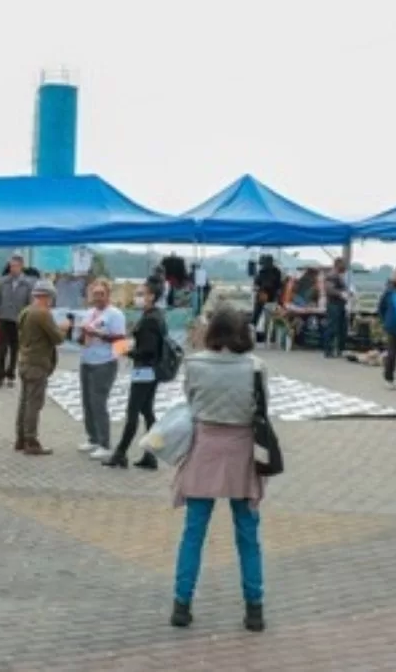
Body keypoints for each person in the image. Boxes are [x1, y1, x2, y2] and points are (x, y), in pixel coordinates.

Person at [170, 307, 266, 633]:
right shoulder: (255, 367)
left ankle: (181, 604)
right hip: (242, 450)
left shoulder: (194, 364)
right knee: (248, 533)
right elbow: (262, 407)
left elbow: (190, 401)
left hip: (204, 447)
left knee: (193, 532)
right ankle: (254, 609)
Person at [103, 278, 165, 470]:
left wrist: (124, 349)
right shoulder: (155, 316)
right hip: (151, 370)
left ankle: (121, 453)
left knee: (133, 412)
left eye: (141, 293)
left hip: (145, 370)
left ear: (151, 296)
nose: (137, 297)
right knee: (147, 412)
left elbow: (148, 350)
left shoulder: (150, 320)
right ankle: (151, 454)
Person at [77, 280, 128, 460]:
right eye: (95, 294)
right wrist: (81, 333)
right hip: (86, 360)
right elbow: (81, 336)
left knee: (99, 402)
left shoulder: (115, 315)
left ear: (107, 295)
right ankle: (93, 438)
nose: (97, 297)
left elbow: (121, 342)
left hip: (105, 363)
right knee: (87, 402)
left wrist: (99, 335)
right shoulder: (89, 313)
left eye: (101, 294)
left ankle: (105, 443)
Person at [14, 280, 61, 455]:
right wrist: (64, 328)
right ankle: (31, 441)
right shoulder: (42, 313)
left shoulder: (25, 311)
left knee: (24, 402)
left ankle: (20, 438)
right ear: (47, 296)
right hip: (37, 363)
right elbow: (57, 338)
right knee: (34, 403)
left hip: (24, 360)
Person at [0, 254, 34, 389]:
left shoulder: (27, 284)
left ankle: (11, 375)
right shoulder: (3, 281)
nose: (12, 269)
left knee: (15, 349)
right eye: (11, 266)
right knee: (2, 348)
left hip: (19, 320)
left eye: (15, 266)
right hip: (4, 318)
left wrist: (28, 319)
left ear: (21, 267)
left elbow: (30, 303)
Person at [322, 258, 350, 358]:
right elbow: (329, 289)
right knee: (332, 327)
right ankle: (328, 350)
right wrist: (341, 294)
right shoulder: (331, 276)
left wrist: (347, 293)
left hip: (340, 305)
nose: (345, 267)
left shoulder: (339, 276)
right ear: (338, 265)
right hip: (334, 304)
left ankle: (339, 349)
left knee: (342, 327)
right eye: (343, 265)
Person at [251, 255, 283, 336]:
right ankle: (267, 333)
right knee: (261, 316)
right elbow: (279, 285)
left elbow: (256, 284)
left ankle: (255, 330)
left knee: (259, 316)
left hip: (267, 297)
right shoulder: (275, 271)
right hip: (267, 297)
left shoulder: (266, 271)